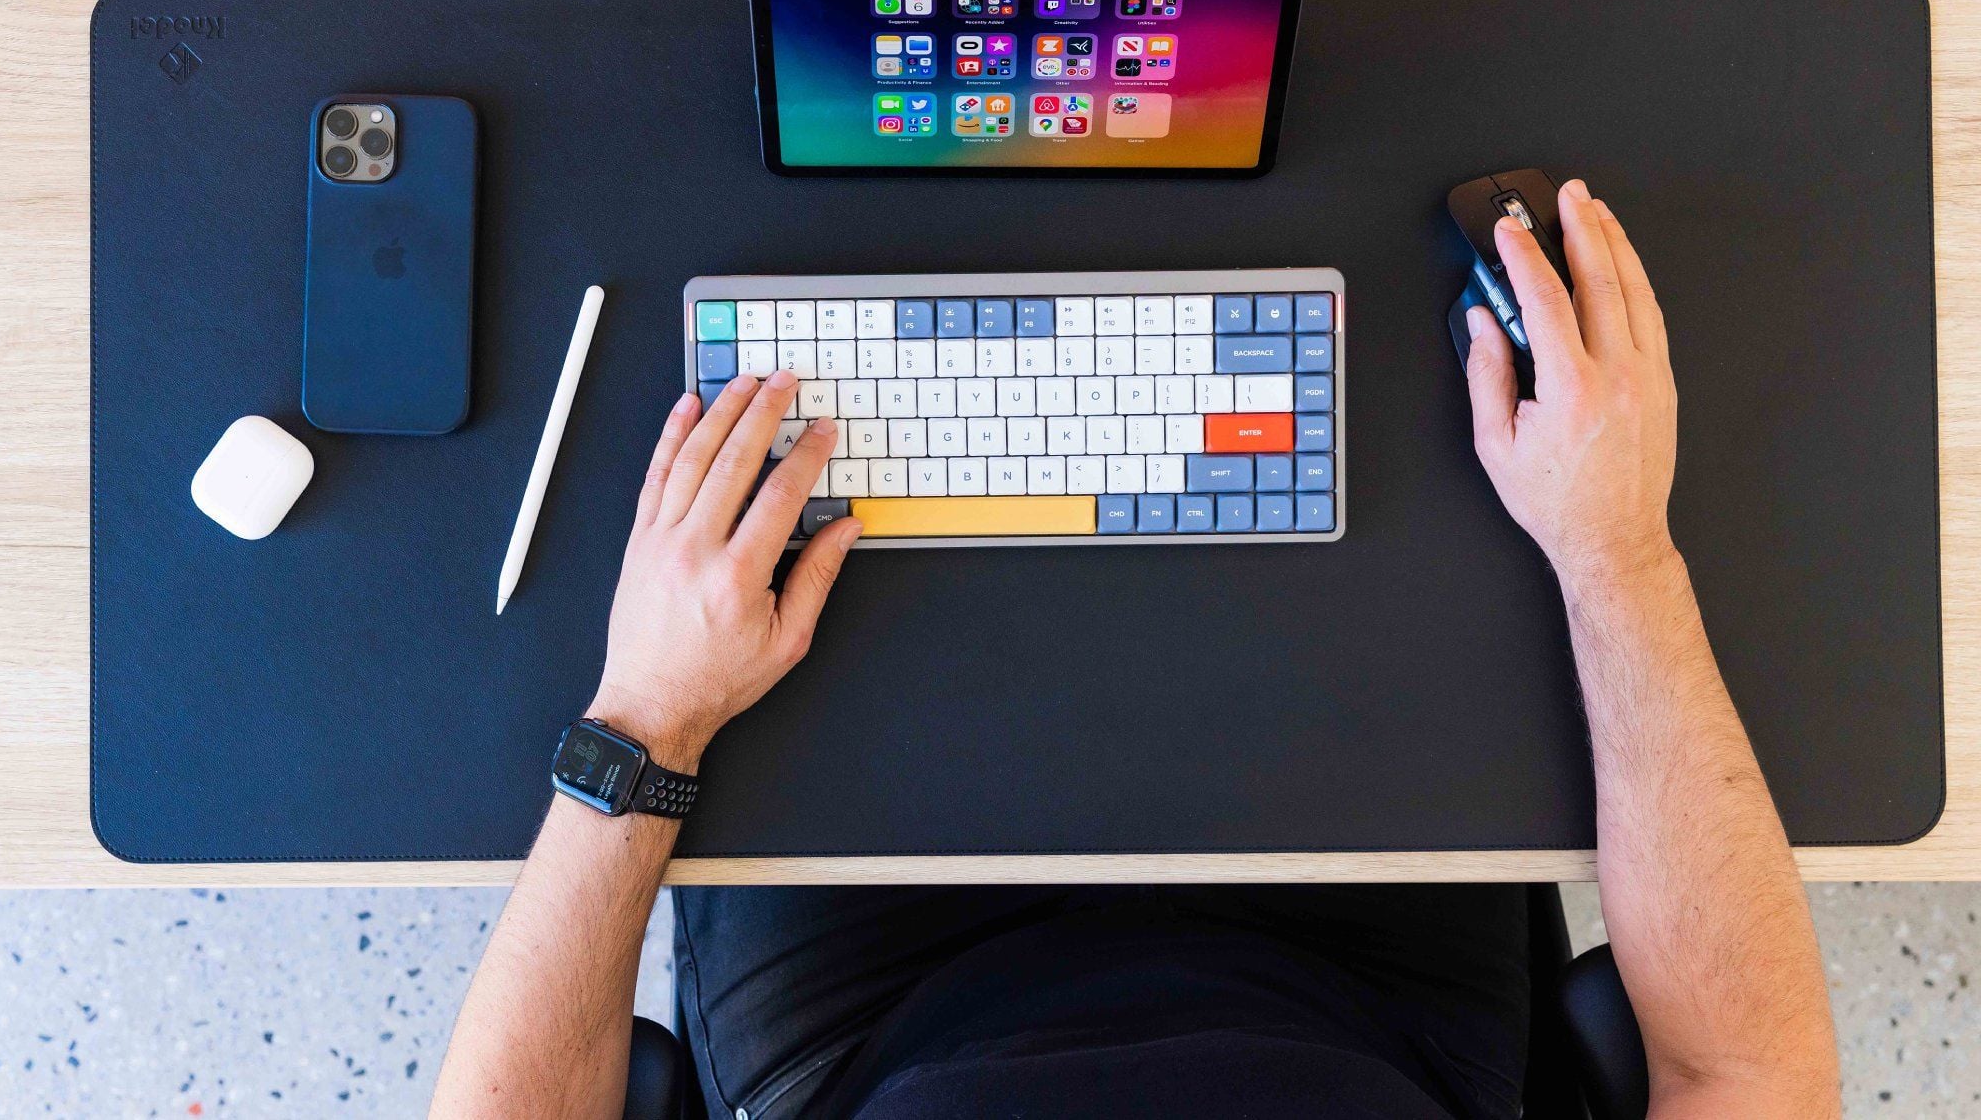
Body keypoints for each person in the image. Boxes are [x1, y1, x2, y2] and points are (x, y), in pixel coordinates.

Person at [430, 180, 1842, 1119]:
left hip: (876, 1015)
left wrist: (649, 722)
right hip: (1381, 998)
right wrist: (1618, 551)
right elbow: (1748, 1075)